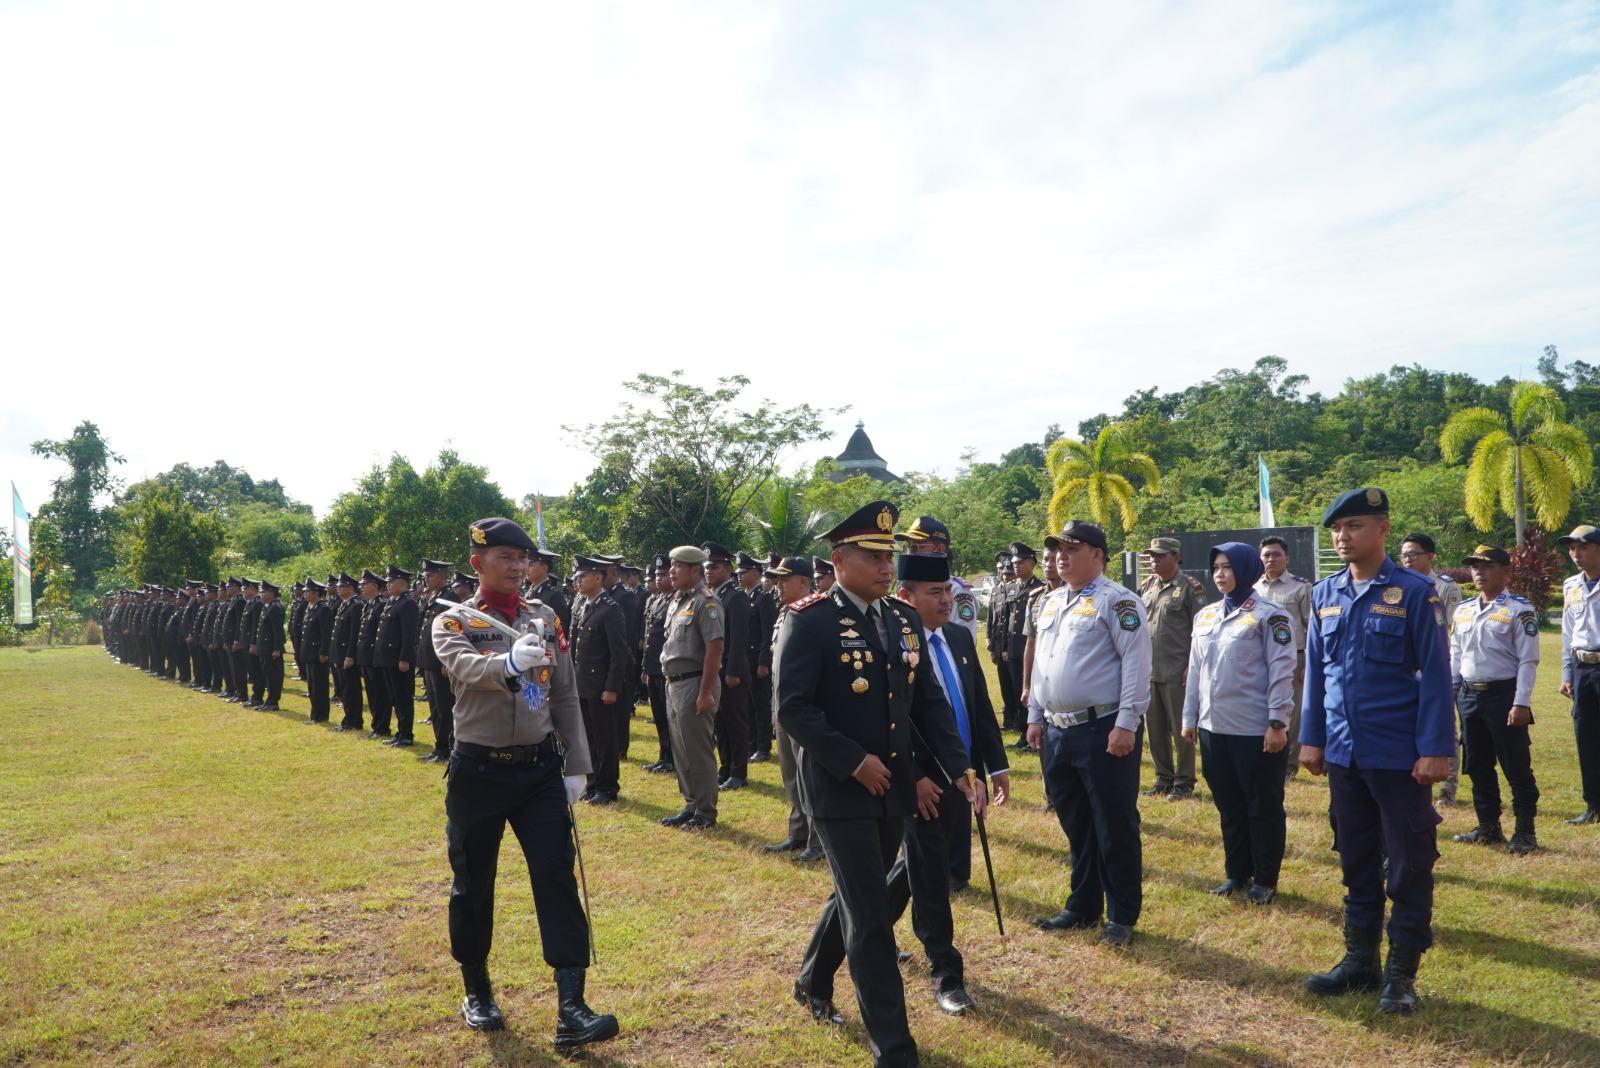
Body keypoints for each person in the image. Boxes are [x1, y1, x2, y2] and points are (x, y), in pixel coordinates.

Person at [777, 501, 972, 1068]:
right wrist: (854, 760)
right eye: (872, 556)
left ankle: (813, 980)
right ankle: (894, 1046)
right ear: (839, 561)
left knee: (856, 894)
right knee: (870, 917)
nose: (887, 567)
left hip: (893, 787)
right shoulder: (809, 619)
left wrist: (955, 764)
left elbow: (923, 704)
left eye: (889, 556)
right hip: (841, 790)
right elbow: (793, 709)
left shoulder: (901, 618)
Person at [795, 551, 1006, 1020]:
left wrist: (974, 768)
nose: (947, 600)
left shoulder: (947, 636)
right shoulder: (864, 627)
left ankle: (813, 975)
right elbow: (886, 719)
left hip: (946, 775)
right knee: (912, 881)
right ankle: (943, 976)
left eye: (950, 590)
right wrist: (918, 778)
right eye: (936, 592)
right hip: (898, 780)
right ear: (908, 596)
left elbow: (961, 707)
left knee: (876, 886)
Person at [431, 517, 617, 1048]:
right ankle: (478, 989)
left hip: (537, 770)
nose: (516, 566)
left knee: (556, 878)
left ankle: (572, 1007)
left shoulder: (545, 616)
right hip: (479, 771)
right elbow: (462, 665)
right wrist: (506, 663)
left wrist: (578, 763)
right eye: (505, 557)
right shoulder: (455, 619)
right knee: (473, 881)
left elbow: (562, 692)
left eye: (522, 557)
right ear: (478, 563)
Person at [1300, 487, 1453, 1015]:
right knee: (1357, 857)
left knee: (1409, 862)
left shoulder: (1414, 593)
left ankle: (1401, 975)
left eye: (1355, 526)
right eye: (1337, 529)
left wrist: (1436, 748)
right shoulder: (1324, 594)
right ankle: (1359, 959)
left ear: (1383, 529)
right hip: (1344, 752)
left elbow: (1435, 676)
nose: (1343, 537)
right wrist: (1312, 737)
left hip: (1399, 754)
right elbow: (1317, 676)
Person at [1027, 521, 1151, 947]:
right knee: (1076, 824)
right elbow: (1042, 663)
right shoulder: (1050, 602)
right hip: (1058, 731)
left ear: (1097, 555)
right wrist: (1034, 715)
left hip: (1102, 728)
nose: (1061, 556)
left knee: (1113, 823)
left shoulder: (1117, 602)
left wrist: (1125, 724)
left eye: (1072, 548)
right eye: (1057, 549)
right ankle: (1082, 905)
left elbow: (1136, 664)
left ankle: (1121, 915)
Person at [1181, 544, 1296, 904]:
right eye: (1215, 567)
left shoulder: (1271, 616)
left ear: (1245, 570)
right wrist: (1189, 718)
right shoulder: (1206, 616)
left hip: (1255, 730)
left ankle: (1265, 878)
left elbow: (1282, 672)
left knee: (1261, 806)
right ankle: (1237, 873)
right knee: (1229, 805)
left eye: (1228, 567)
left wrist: (1277, 721)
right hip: (1214, 728)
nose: (1220, 574)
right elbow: (1195, 672)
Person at [1448, 545, 1541, 853]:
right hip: (1470, 696)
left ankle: (1525, 832)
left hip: (1504, 696)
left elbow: (1528, 660)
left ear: (1505, 571)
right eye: (1475, 566)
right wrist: (1451, 692)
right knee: (1477, 765)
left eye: (1487, 566)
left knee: (1516, 767)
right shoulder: (1463, 610)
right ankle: (1489, 827)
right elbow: (1456, 654)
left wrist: (1521, 702)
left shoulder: (1519, 610)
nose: (1479, 572)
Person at [658, 545, 726, 830]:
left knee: (698, 751)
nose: (672, 571)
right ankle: (691, 804)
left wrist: (706, 692)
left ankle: (705, 812)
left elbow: (715, 647)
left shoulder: (706, 602)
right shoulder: (677, 600)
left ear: (695, 570)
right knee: (681, 751)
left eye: (678, 566)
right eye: (672, 565)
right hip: (674, 683)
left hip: (696, 682)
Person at [762, 555, 822, 859]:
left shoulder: (816, 613)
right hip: (783, 706)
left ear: (803, 581)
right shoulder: (785, 613)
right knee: (789, 772)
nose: (778, 585)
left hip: (805, 708)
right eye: (777, 579)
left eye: (785, 580)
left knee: (808, 775)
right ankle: (798, 833)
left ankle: (817, 840)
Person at [1139, 537, 1208, 800]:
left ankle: (1184, 781)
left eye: (1160, 555)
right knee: (1155, 729)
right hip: (1150, 670)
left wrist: (1192, 666)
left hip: (1178, 670)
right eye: (1151, 556)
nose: (1154, 560)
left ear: (1176, 557)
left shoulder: (1191, 588)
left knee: (1182, 730)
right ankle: (1163, 778)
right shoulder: (1147, 586)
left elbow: (1200, 631)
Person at [1400, 532, 1464, 804]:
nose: (1408, 559)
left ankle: (1448, 786)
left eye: (1413, 554)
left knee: (1443, 723)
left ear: (1430, 556)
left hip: (1437, 665)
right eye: (1404, 555)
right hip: (1406, 668)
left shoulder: (1445, 588)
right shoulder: (1397, 586)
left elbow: (1452, 629)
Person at [570, 555, 631, 804]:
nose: (578, 581)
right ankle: (593, 783)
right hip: (583, 682)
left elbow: (619, 653)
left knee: (605, 737)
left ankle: (608, 787)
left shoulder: (610, 608)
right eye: (577, 576)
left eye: (583, 576)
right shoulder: (584, 605)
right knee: (588, 737)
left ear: (598, 577)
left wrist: (612, 687)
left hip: (601, 685)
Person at [1255, 536, 1313, 780]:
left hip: (1293, 658)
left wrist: (1308, 662)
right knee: (1263, 707)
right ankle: (1266, 756)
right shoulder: (1254, 588)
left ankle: (1289, 765)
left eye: (1276, 554)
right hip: (1258, 659)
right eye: (1267, 555)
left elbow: (1312, 627)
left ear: (1287, 558)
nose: (1271, 559)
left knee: (1292, 711)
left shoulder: (1301, 587)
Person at [1557, 524, 1600, 825]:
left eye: (1582, 546)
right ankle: (1593, 805)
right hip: (1582, 668)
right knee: (1586, 738)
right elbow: (1567, 632)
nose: (1576, 553)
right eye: (1572, 548)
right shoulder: (1571, 585)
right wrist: (1567, 672)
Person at [702, 542, 753, 791]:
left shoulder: (737, 597)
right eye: (706, 567)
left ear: (727, 568)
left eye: (714, 566)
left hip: (732, 671)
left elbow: (739, 639)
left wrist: (732, 671)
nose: (708, 571)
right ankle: (725, 767)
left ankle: (738, 772)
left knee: (735, 722)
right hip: (717, 671)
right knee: (720, 723)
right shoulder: (714, 596)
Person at [738, 551, 779, 764]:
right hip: (745, 659)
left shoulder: (764, 599)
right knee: (747, 703)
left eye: (743, 572)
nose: (739, 575)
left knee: (760, 704)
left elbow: (767, 633)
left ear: (756, 572)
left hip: (757, 659)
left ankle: (763, 747)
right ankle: (751, 743)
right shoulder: (744, 597)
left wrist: (764, 662)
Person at [416, 560, 457, 764]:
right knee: (434, 708)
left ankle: (449, 748)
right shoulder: (432, 597)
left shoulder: (449, 598)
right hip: (429, 661)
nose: (426, 578)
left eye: (430, 575)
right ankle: (439, 747)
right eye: (426, 575)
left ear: (442, 576)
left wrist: (447, 661)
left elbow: (451, 633)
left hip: (440, 662)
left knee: (445, 708)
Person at [376, 565, 420, 748]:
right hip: (388, 658)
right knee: (395, 697)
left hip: (398, 659)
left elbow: (408, 634)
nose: (387, 584)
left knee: (403, 698)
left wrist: (405, 658)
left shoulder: (407, 603)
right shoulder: (393, 601)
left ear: (402, 583)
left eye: (391, 581)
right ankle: (400, 733)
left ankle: (406, 735)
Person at [641, 557, 674, 773]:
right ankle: (663, 755)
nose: (659, 579)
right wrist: (645, 667)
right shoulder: (656, 600)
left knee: (670, 717)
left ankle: (672, 758)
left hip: (666, 668)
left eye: (663, 575)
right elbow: (649, 636)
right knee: (659, 716)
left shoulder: (675, 600)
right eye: (657, 576)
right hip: (653, 667)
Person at [331, 573, 366, 732]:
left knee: (351, 689)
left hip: (347, 654)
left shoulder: (356, 605)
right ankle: (348, 719)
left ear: (351, 588)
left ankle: (354, 721)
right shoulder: (344, 604)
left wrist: (350, 655)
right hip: (339, 653)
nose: (338, 589)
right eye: (338, 586)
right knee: (345, 688)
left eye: (341, 586)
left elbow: (354, 633)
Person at [300, 578, 333, 724]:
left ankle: (321, 715)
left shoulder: (323, 609)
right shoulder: (310, 607)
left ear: (316, 593)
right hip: (308, 652)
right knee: (312, 685)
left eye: (307, 591)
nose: (304, 594)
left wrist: (324, 652)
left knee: (320, 686)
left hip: (318, 653)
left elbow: (326, 633)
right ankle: (314, 714)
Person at [254, 581, 284, 711]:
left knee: (273, 676)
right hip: (264, 647)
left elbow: (277, 631)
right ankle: (269, 701)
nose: (261, 594)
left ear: (271, 592)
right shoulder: (267, 606)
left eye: (263, 592)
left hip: (271, 648)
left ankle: (273, 702)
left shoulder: (275, 607)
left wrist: (277, 648)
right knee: (267, 674)